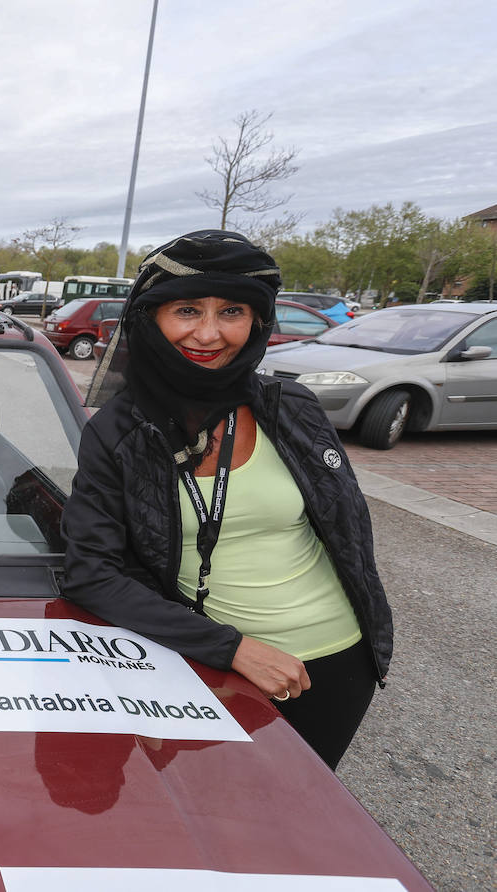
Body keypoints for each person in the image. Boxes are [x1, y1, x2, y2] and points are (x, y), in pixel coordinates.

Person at [61, 229, 392, 770]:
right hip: (215, 666)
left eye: (232, 311)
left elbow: (347, 528)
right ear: (151, 320)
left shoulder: (294, 408)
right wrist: (231, 649)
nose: (209, 334)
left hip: (339, 661)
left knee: (299, 820)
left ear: (257, 322)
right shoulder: (118, 433)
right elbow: (91, 573)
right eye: (187, 310)